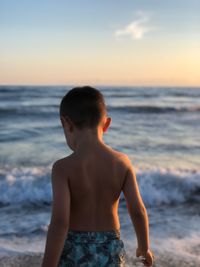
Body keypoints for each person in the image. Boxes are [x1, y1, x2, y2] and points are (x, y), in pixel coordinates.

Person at [41, 86, 154, 267]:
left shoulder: (62, 168)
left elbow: (60, 223)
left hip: (73, 251)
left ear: (66, 123)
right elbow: (138, 211)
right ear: (106, 124)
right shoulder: (122, 162)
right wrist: (144, 248)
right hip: (110, 250)